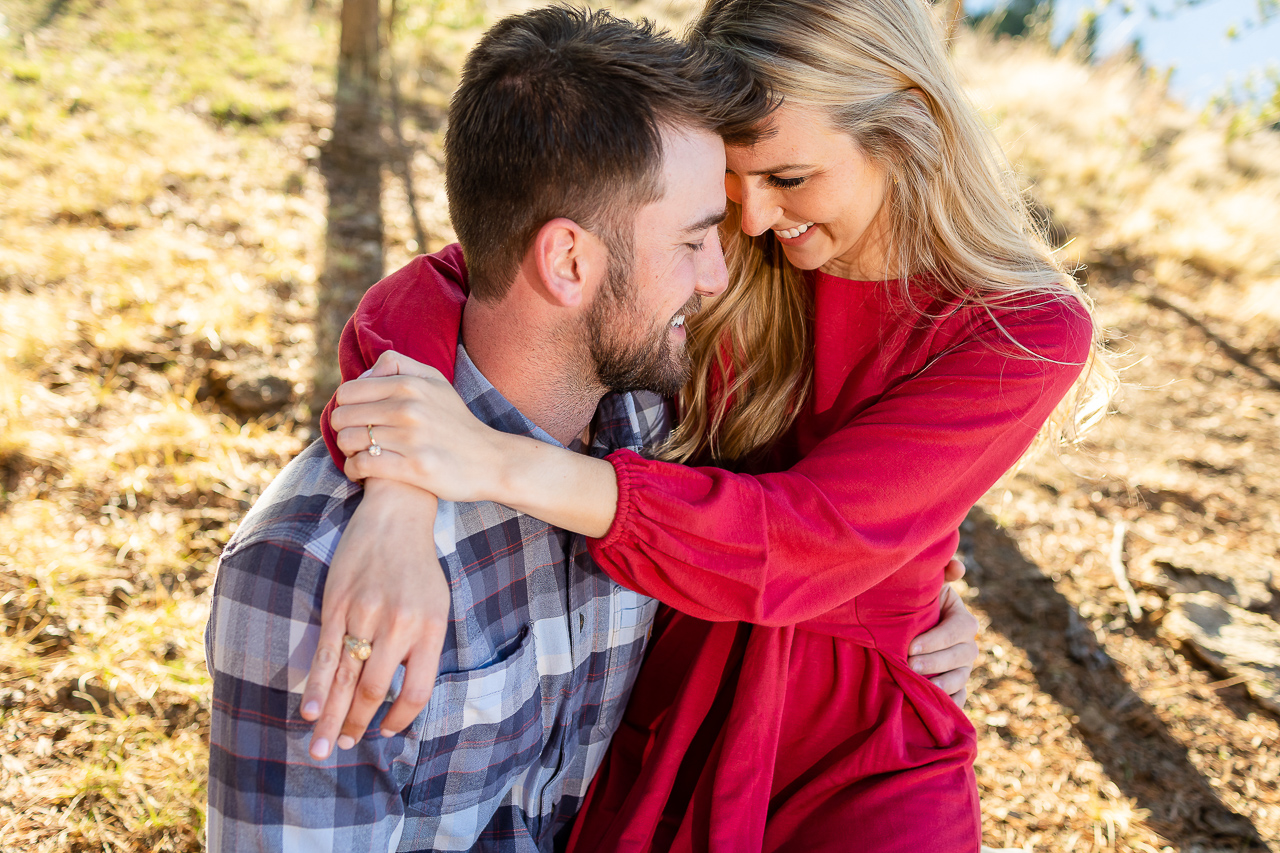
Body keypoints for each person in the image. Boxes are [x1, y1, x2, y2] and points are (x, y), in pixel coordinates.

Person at [315, 0, 1113, 849]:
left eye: (790, 179)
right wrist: (400, 497)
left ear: (905, 122)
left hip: (863, 741)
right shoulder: (719, 251)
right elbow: (460, 287)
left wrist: (490, 460)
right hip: (667, 687)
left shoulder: (1021, 327)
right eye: (736, 185)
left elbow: (813, 537)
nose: (759, 221)